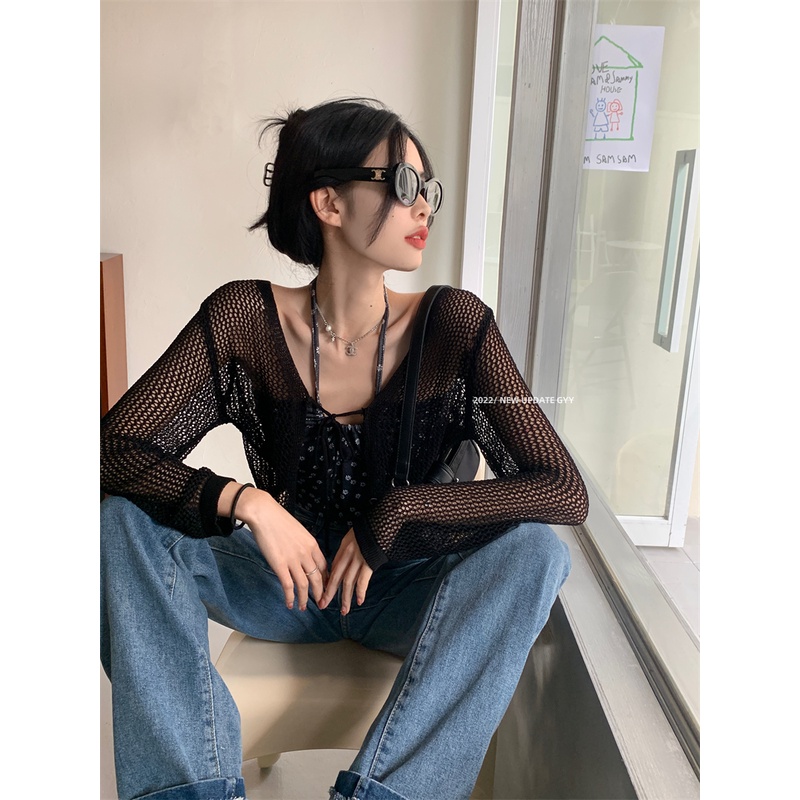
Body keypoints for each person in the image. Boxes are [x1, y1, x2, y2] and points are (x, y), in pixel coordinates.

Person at [100, 97, 589, 800]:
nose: (423, 207)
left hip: (407, 585)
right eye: (403, 184)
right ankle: (192, 791)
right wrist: (247, 502)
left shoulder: (455, 325)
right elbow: (112, 451)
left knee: (536, 552)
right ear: (329, 202)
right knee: (117, 522)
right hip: (285, 582)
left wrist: (401, 512)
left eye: (428, 189)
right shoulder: (244, 318)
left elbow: (562, 489)